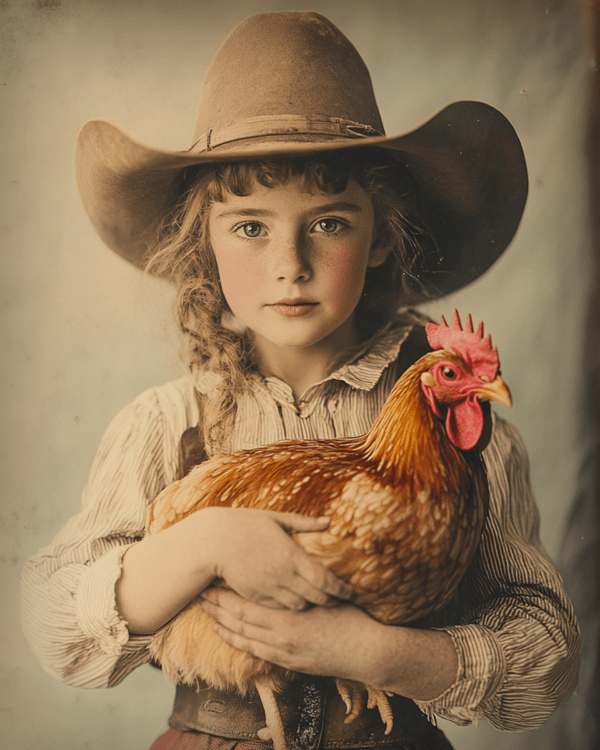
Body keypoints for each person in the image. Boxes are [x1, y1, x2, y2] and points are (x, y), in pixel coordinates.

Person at [21, 11, 580, 750]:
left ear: (381, 235)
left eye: (328, 223)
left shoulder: (462, 438)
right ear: (206, 243)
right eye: (251, 226)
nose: (291, 262)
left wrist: (380, 654)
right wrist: (206, 543)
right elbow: (59, 628)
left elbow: (546, 653)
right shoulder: (168, 423)